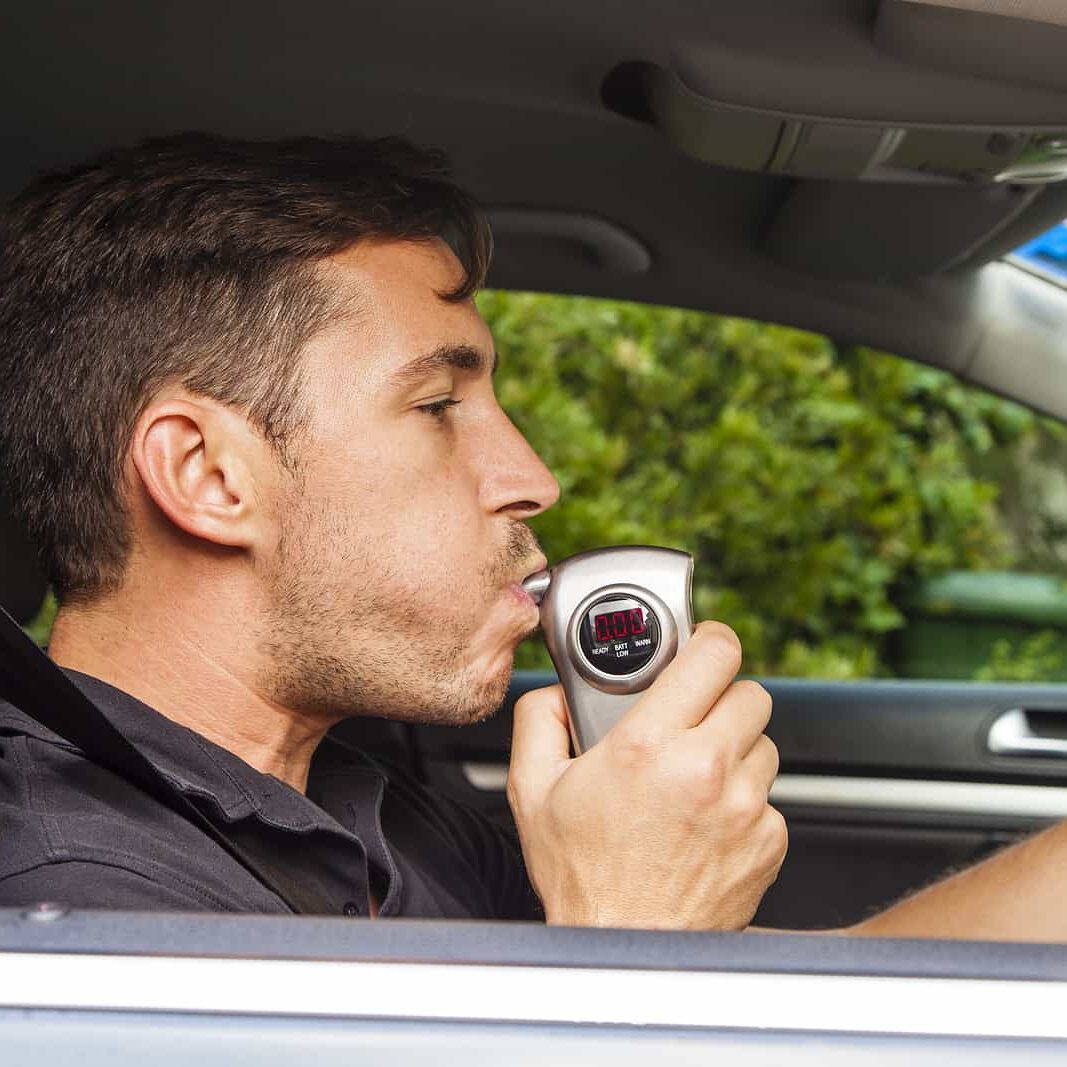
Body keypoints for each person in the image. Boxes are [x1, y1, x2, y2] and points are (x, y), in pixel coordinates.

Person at [0, 134, 1060, 938]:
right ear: (206, 474)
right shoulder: (77, 916)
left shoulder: (352, 807)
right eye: (435, 406)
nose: (533, 479)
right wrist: (630, 938)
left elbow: (834, 991)